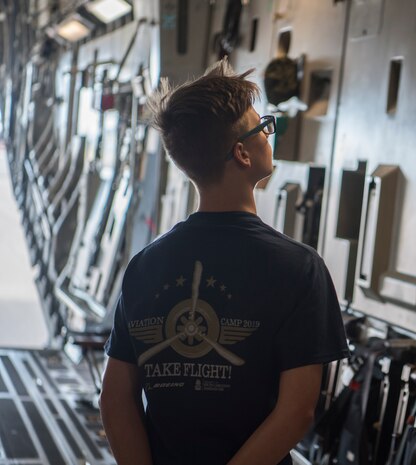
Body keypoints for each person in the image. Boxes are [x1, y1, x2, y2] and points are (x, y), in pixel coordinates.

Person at [99, 59, 350, 465]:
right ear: (241, 154)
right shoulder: (300, 268)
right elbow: (297, 411)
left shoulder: (146, 265)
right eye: (263, 128)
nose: (269, 136)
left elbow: (115, 397)